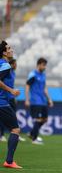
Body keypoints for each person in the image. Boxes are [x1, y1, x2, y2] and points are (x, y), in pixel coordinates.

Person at [0, 40, 22, 168]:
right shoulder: (6, 65)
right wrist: (11, 90)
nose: (11, 50)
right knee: (15, 129)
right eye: (9, 48)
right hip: (1, 103)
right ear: (4, 52)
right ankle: (9, 161)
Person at [25, 57, 53, 145]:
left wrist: (49, 99)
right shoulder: (33, 74)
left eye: (45, 65)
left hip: (43, 100)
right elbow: (27, 87)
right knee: (38, 119)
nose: (45, 67)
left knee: (45, 119)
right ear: (39, 65)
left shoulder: (43, 75)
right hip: (35, 100)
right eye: (44, 65)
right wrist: (27, 99)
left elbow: (45, 88)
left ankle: (32, 133)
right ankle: (34, 139)